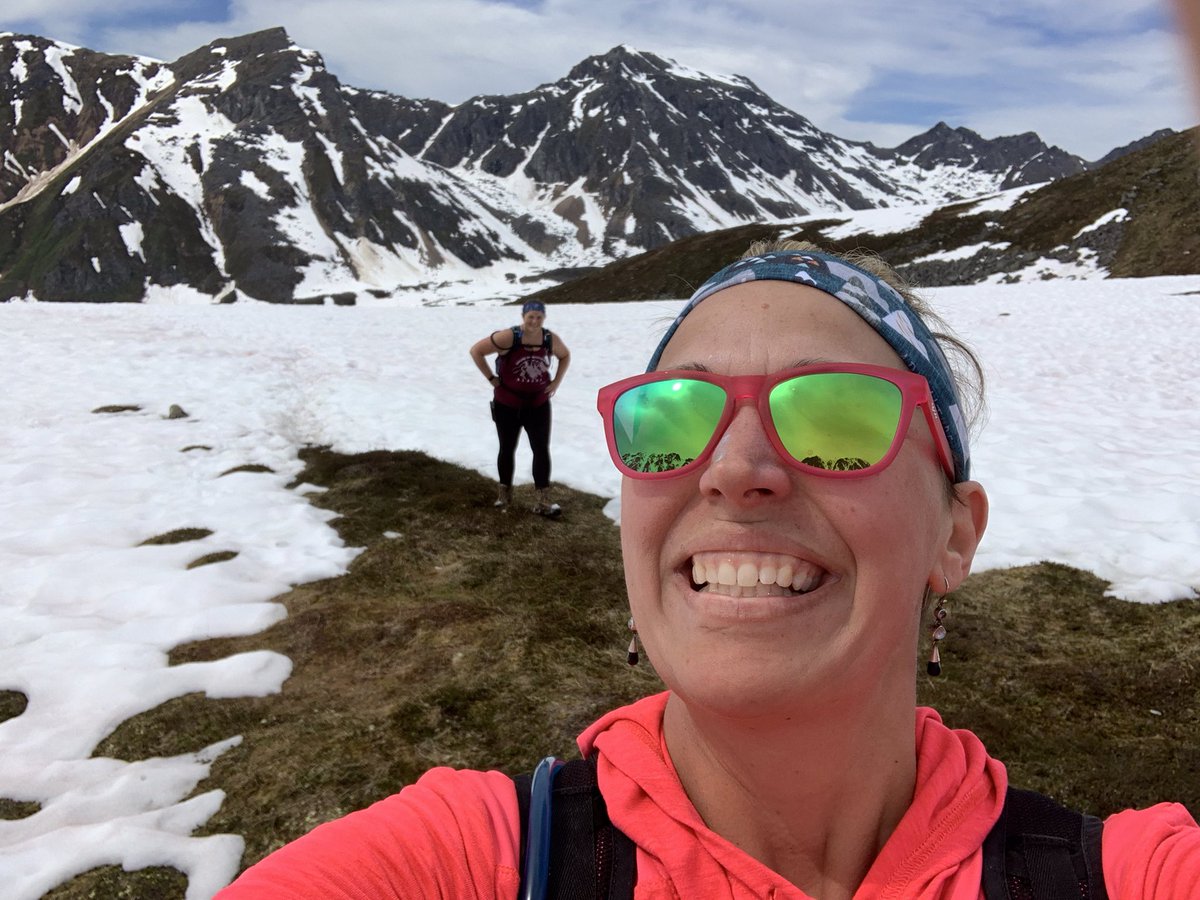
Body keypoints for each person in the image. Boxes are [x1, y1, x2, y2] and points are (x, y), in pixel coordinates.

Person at [217, 242, 1199, 898]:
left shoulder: (1127, 877)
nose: (734, 470)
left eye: (838, 417)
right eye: (670, 418)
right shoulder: (478, 862)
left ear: (956, 533)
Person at [469, 299, 571, 515]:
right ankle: (504, 495)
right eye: (530, 316)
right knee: (507, 448)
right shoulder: (509, 337)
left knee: (541, 449)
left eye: (539, 317)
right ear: (523, 317)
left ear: (544, 318)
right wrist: (491, 379)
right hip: (507, 404)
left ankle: (543, 500)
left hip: (538, 404)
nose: (535, 320)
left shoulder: (549, 339)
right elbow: (476, 350)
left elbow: (565, 355)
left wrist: (556, 382)